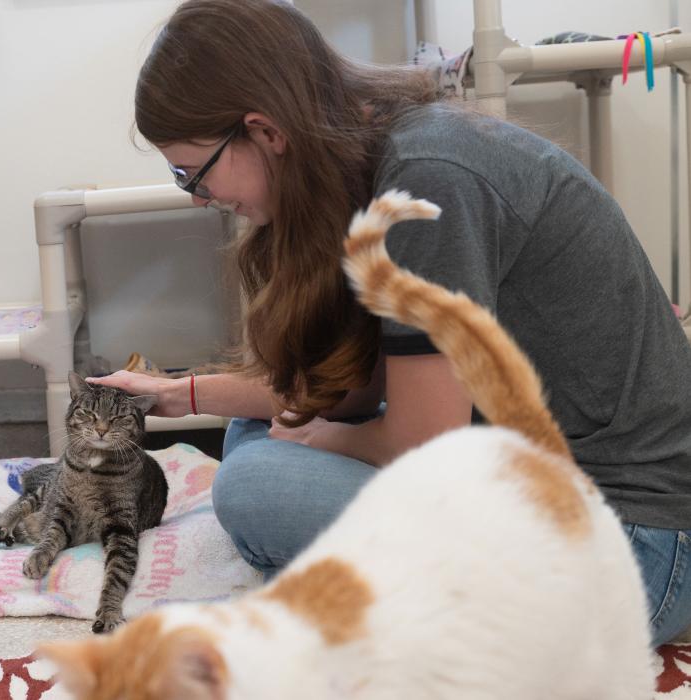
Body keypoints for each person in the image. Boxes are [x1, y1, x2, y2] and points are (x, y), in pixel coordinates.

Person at [86, 0, 691, 646]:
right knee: (255, 432)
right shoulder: (387, 155)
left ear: (264, 131)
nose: (202, 198)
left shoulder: (427, 182)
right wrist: (186, 395)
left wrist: (326, 441)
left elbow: (421, 444)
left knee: (254, 483)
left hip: (633, 549)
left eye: (193, 175)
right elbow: (351, 388)